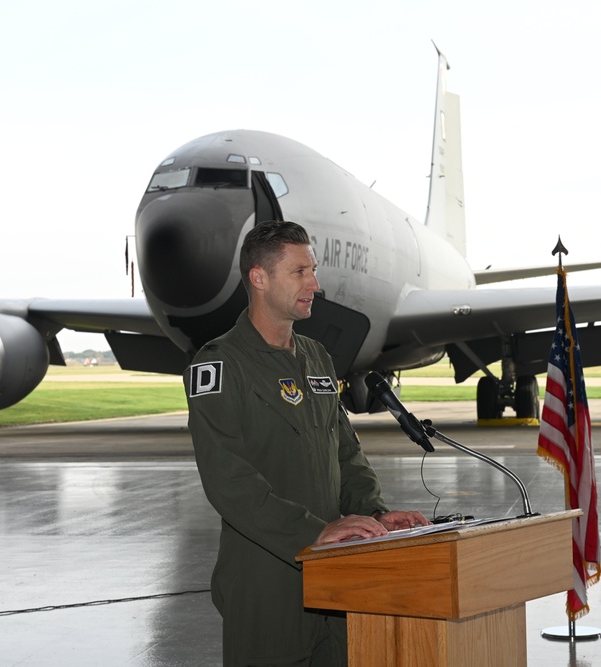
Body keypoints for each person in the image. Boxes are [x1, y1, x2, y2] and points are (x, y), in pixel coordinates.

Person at [184, 220, 429, 666]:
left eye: (313, 270)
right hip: (267, 581)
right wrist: (312, 532)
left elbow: (344, 451)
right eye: (300, 272)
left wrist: (374, 512)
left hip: (334, 571)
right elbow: (229, 481)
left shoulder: (316, 356)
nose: (315, 284)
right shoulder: (220, 366)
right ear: (259, 278)